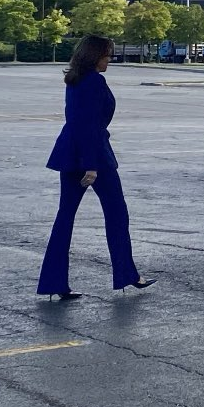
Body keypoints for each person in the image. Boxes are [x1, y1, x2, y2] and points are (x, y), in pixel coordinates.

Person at [37, 34, 153, 299]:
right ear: (95, 55)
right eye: (107, 54)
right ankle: (127, 274)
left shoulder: (74, 80)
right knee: (117, 214)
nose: (110, 59)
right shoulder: (95, 82)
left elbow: (77, 122)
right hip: (94, 156)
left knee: (64, 218)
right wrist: (91, 165)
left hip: (69, 153)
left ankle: (53, 282)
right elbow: (89, 125)